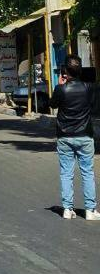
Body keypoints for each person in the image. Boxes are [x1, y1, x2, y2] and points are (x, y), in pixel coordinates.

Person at [50, 55, 98, 221]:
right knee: (87, 173)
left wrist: (60, 86)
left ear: (65, 72)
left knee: (66, 173)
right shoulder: (89, 88)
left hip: (65, 137)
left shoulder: (61, 89)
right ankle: (91, 210)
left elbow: (52, 104)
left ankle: (67, 209)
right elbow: (92, 104)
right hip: (84, 135)